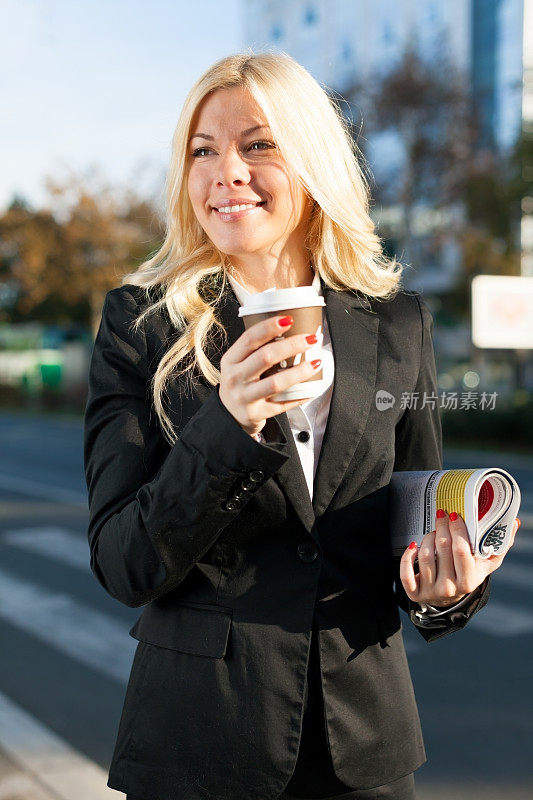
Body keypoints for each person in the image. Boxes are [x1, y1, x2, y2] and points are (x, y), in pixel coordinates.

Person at [83, 52, 519, 800]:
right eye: (202, 150)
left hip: (364, 750)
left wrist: (447, 589)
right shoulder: (141, 326)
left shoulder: (396, 324)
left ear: (313, 159)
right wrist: (228, 423)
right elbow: (124, 564)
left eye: (257, 144)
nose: (227, 171)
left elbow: (412, 517)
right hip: (197, 748)